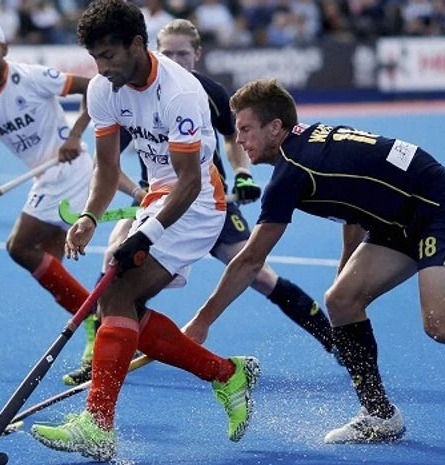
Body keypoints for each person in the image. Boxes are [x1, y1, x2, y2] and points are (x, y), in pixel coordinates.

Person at [182, 78, 445, 444]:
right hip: (397, 218)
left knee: (441, 324)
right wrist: (345, 272)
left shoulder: (291, 173)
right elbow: (352, 208)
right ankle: (379, 415)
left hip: (441, 208)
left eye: (246, 128)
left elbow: (251, 261)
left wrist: (203, 321)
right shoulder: (306, 143)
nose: (238, 138)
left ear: (275, 127)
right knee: (341, 301)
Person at [29, 1, 260, 461]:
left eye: (110, 55)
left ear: (137, 45)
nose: (102, 67)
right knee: (124, 303)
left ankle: (97, 426)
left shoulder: (181, 94)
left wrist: (145, 236)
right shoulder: (102, 88)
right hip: (159, 196)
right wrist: (90, 218)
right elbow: (108, 169)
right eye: (96, 57)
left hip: (197, 205)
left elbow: (191, 181)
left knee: (115, 294)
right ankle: (224, 373)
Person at [61, 18, 338, 387]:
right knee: (114, 263)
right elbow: (107, 165)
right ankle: (103, 346)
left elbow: (233, 141)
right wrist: (125, 199)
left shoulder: (202, 93)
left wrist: (241, 174)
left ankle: (333, 338)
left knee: (257, 274)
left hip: (204, 195)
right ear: (152, 47)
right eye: (169, 51)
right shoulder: (115, 85)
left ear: (197, 54)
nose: (176, 58)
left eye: (183, 52)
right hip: (152, 195)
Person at [0, 17, 96, 323]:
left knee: (18, 246)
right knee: (50, 269)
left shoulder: (31, 77)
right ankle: (104, 325)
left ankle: (96, 319)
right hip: (45, 177)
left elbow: (91, 87)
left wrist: (75, 135)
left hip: (70, 171)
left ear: (4, 48)